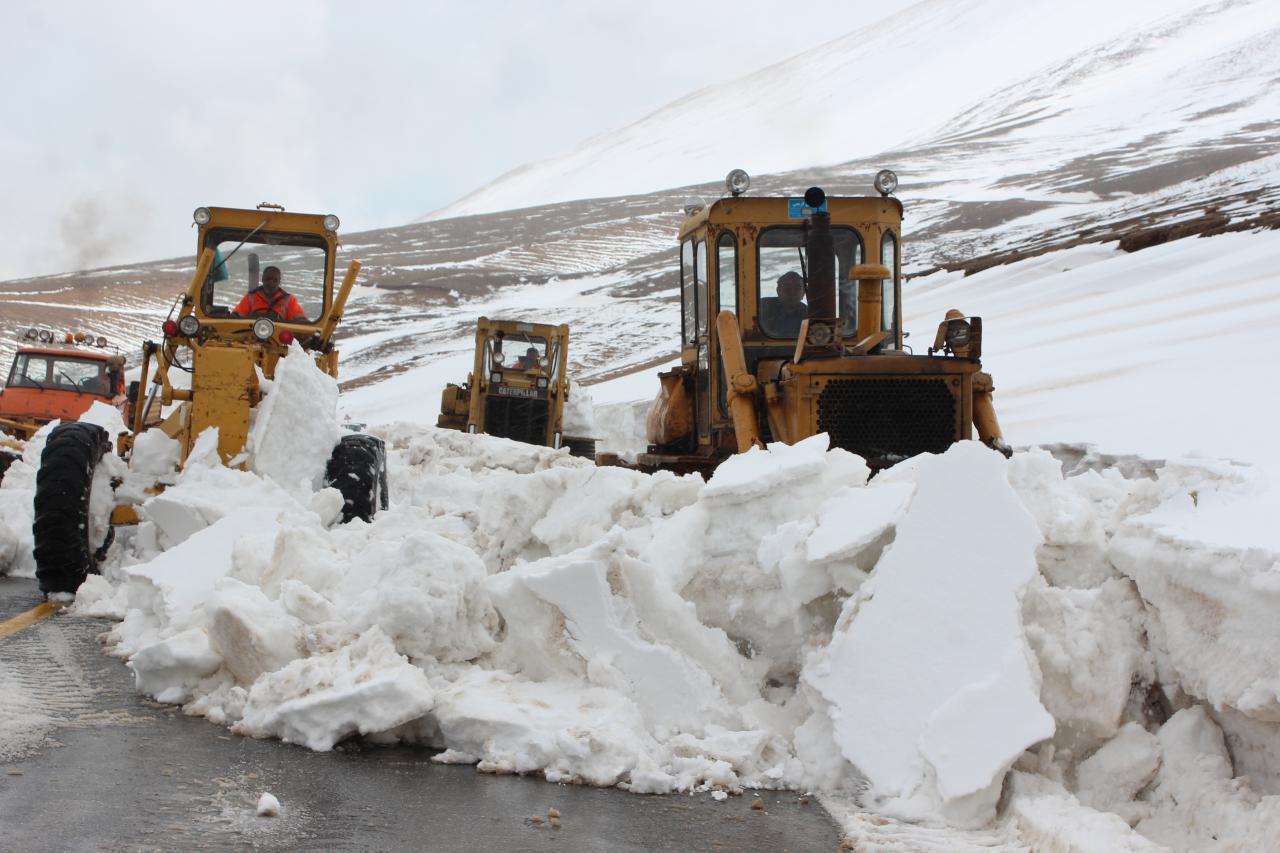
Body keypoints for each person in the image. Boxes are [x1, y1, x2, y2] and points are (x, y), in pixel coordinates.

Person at [232, 265, 307, 322]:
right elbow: (237, 316)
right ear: (262, 279)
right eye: (268, 279)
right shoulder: (251, 297)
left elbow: (300, 320)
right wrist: (233, 315)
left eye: (275, 280)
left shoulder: (289, 300)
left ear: (279, 281)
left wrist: (301, 320)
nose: (271, 283)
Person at [760, 271, 808, 337]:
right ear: (778, 291)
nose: (792, 292)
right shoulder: (762, 307)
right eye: (787, 287)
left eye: (797, 288)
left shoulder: (809, 315)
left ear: (803, 293)